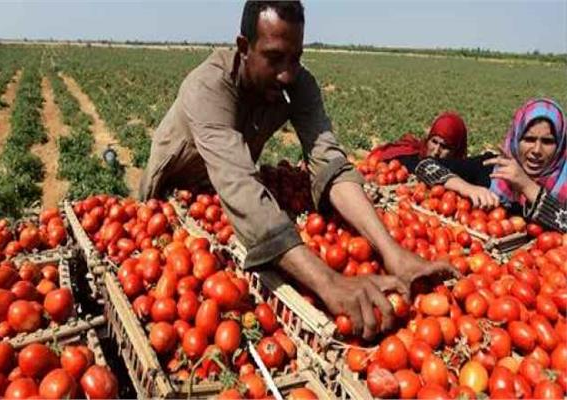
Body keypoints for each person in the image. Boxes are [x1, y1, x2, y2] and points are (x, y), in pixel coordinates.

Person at [140, 0, 455, 340]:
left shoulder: (296, 84)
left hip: (225, 191)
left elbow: (329, 162)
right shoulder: (208, 87)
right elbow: (239, 185)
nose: (287, 73)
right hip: (174, 191)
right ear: (244, 48)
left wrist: (391, 250)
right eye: (275, 57)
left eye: (296, 58)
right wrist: (329, 282)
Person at [414, 98, 567, 232]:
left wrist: (527, 186)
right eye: (529, 139)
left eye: (548, 141)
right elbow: (425, 165)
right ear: (515, 139)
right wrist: (466, 187)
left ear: (560, 145)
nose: (536, 150)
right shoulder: (493, 169)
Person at [370, 112, 468, 172]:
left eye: (444, 147)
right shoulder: (410, 159)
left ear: (456, 150)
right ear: (428, 140)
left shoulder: (465, 170)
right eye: (434, 142)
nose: (436, 151)